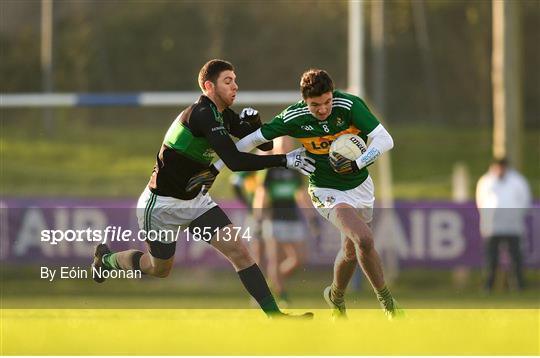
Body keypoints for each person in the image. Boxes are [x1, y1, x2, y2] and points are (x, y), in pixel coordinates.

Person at [91, 59, 315, 319]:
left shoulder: (222, 114)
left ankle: (275, 317)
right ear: (209, 86)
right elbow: (235, 161)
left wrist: (255, 126)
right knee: (158, 269)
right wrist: (285, 160)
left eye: (235, 80)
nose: (235, 86)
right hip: (162, 204)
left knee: (240, 253)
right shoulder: (202, 114)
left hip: (195, 202)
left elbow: (263, 147)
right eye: (228, 81)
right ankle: (106, 260)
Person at [193, 68, 403, 320]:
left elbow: (384, 139)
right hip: (325, 189)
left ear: (332, 95)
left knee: (351, 250)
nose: (323, 109)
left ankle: (335, 296)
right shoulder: (293, 117)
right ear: (305, 101)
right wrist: (214, 168)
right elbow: (253, 140)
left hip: (360, 186)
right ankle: (389, 305)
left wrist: (358, 164)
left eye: (327, 102)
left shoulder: (349, 105)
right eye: (315, 105)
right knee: (365, 239)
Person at [252, 136, 320, 306]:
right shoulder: (268, 168)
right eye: (281, 144)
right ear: (274, 148)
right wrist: (258, 219)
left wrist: (311, 217)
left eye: (287, 144)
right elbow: (261, 194)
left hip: (292, 218)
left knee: (299, 259)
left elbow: (301, 194)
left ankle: (274, 281)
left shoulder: (295, 167)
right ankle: (281, 295)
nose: (284, 147)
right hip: (273, 218)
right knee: (275, 258)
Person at [475, 157, 531, 292]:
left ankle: (518, 286)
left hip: (513, 226)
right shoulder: (486, 181)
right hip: (492, 227)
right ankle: (488, 286)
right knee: (491, 258)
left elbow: (525, 200)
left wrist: (515, 215)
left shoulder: (518, 181)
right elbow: (480, 201)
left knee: (516, 257)